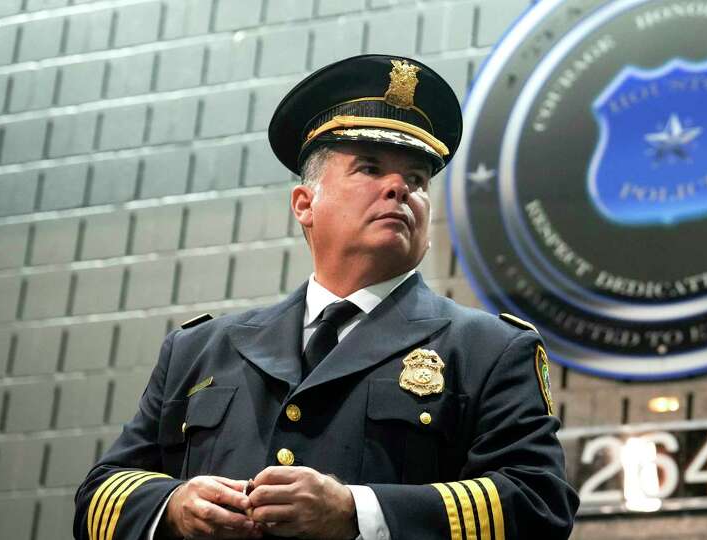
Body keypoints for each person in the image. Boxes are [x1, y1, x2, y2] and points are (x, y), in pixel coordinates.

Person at [73, 54, 578, 540]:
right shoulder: (200, 349)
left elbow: (539, 504)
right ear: (304, 203)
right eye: (370, 168)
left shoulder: (489, 350)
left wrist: (356, 511)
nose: (400, 188)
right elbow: (99, 497)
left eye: (418, 180)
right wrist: (175, 507)